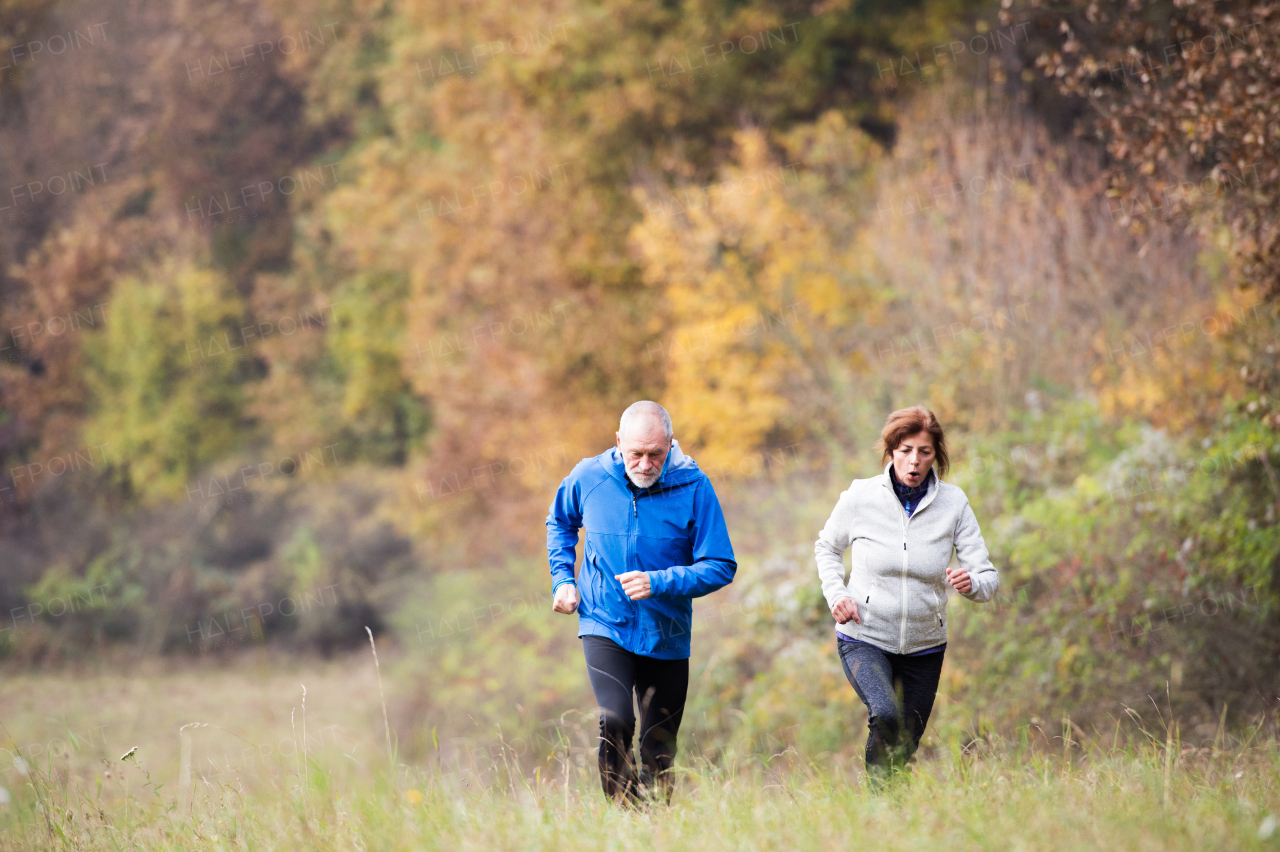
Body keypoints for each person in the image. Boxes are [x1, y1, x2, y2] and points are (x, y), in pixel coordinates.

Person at [546, 400, 737, 804]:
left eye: (656, 454)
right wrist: (562, 579)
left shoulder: (693, 486)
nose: (646, 464)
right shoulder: (590, 476)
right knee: (615, 719)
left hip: (665, 632)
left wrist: (660, 582)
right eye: (635, 453)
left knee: (659, 748)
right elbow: (560, 521)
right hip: (604, 621)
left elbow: (720, 564)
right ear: (618, 443)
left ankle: (653, 829)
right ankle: (625, 819)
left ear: (671, 445)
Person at [815, 405, 998, 788]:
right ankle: (878, 808)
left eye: (925, 452)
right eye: (906, 450)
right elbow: (827, 548)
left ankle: (890, 820)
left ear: (936, 455)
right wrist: (837, 594)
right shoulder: (860, 496)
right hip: (864, 636)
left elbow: (986, 576)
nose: (914, 461)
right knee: (886, 715)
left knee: (905, 746)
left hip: (925, 645)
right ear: (891, 452)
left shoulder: (954, 504)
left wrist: (973, 584)